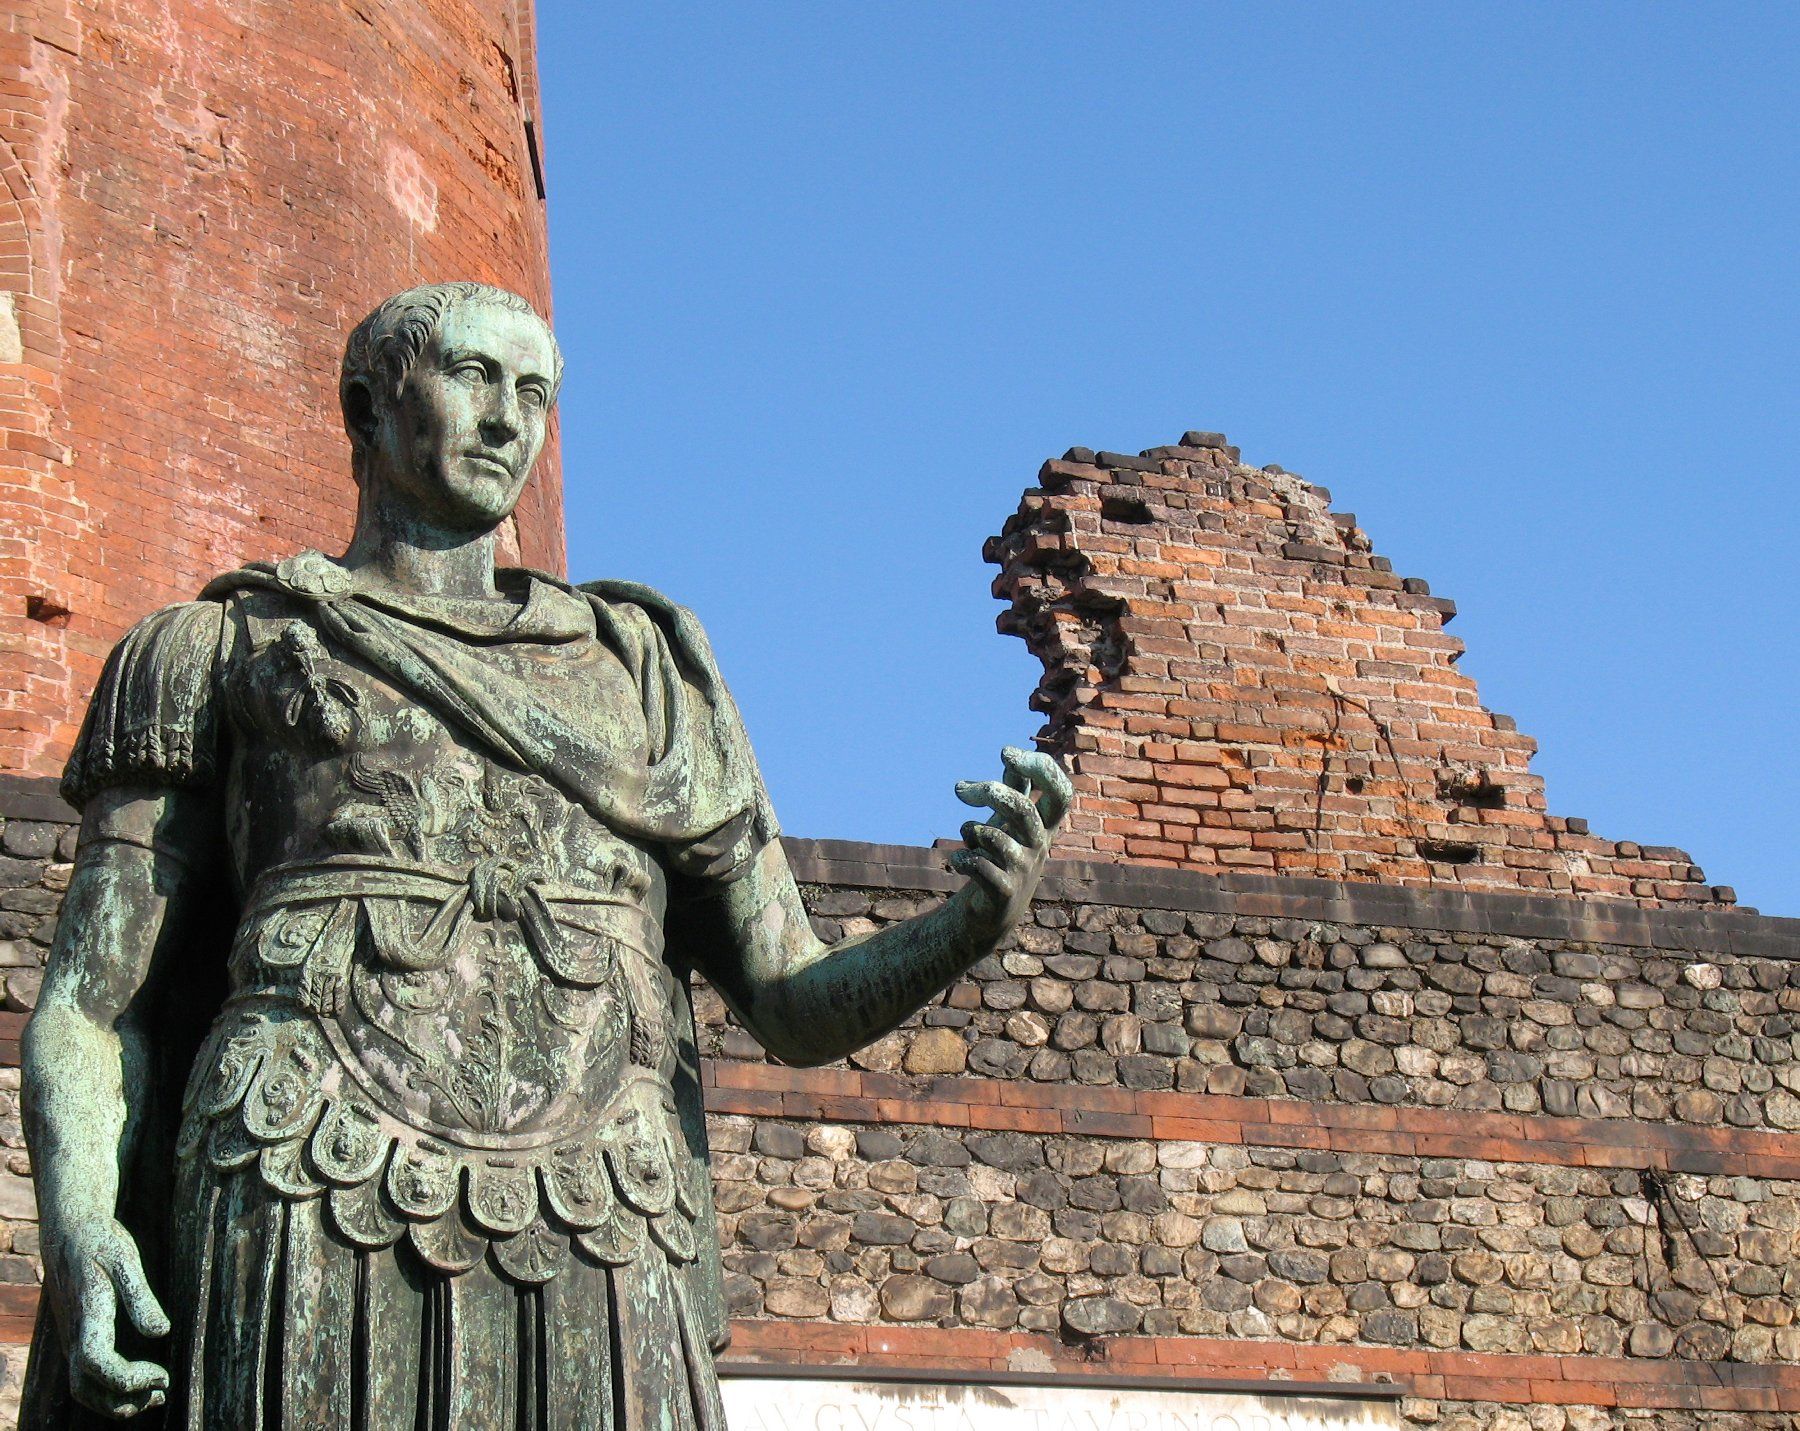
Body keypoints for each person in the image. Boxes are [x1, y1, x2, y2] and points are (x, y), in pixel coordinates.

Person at [20, 282, 1072, 1428]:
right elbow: (90, 1000)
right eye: (474, 377)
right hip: (305, 1176)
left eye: (535, 392)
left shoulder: (644, 674)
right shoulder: (220, 649)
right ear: (369, 408)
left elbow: (790, 1001)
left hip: (601, 1211)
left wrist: (967, 926)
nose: (508, 419)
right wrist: (79, 1222)